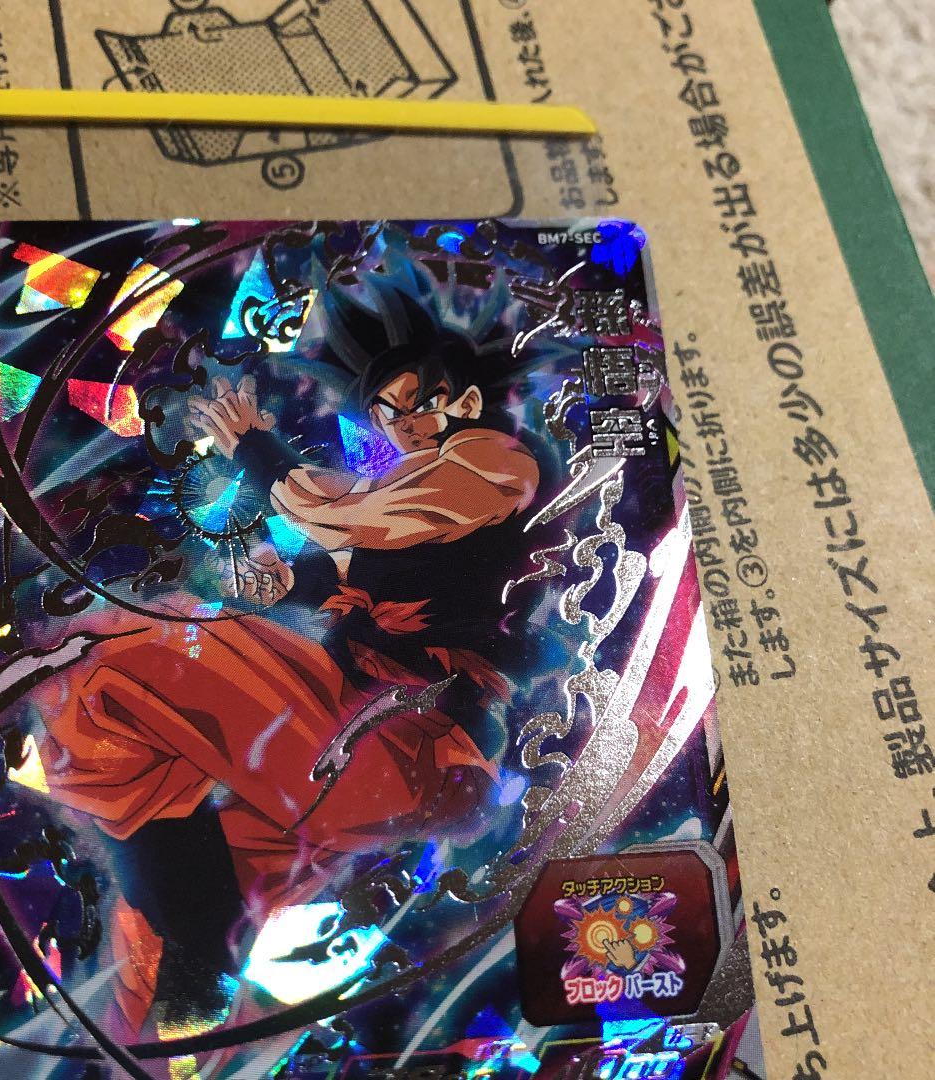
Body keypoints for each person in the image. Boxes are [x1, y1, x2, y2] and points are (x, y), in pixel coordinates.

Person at [28, 273, 556, 1033]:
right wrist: (288, 583)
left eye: (422, 402)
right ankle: (164, 1024)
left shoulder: (498, 463)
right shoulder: (416, 496)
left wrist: (257, 449)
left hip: (409, 748)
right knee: (166, 931)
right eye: (389, 411)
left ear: (467, 401)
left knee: (115, 659)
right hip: (354, 733)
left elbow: (353, 520)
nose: (406, 424)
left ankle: (194, 961)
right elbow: (357, 563)